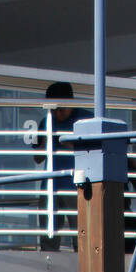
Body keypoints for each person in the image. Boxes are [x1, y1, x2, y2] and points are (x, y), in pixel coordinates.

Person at [35, 81, 88, 251]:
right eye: (53, 109)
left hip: (78, 186)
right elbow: (37, 158)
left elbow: (93, 150)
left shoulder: (85, 120)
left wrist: (68, 143)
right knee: (48, 238)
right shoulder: (46, 122)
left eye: (61, 108)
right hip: (50, 186)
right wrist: (46, 141)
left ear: (71, 103)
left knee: (82, 237)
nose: (57, 113)